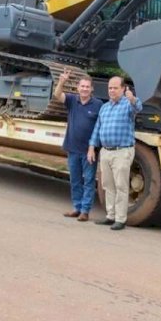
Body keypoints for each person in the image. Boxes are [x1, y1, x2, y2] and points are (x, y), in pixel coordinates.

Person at [87, 76, 142, 231]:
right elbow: (97, 128)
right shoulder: (104, 107)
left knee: (121, 186)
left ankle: (120, 219)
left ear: (123, 89)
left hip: (122, 151)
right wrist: (92, 146)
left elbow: (138, 107)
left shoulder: (127, 105)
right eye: (110, 88)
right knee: (107, 185)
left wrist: (132, 99)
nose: (111, 90)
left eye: (115, 88)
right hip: (106, 152)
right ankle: (110, 216)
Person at [53, 68, 103, 222]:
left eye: (87, 87)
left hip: (89, 151)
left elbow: (99, 126)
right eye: (82, 86)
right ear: (78, 88)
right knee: (75, 180)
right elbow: (57, 95)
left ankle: (85, 211)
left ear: (92, 89)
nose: (85, 89)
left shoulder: (98, 105)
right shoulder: (72, 100)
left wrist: (93, 146)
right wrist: (62, 81)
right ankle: (77, 207)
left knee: (88, 180)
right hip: (72, 148)